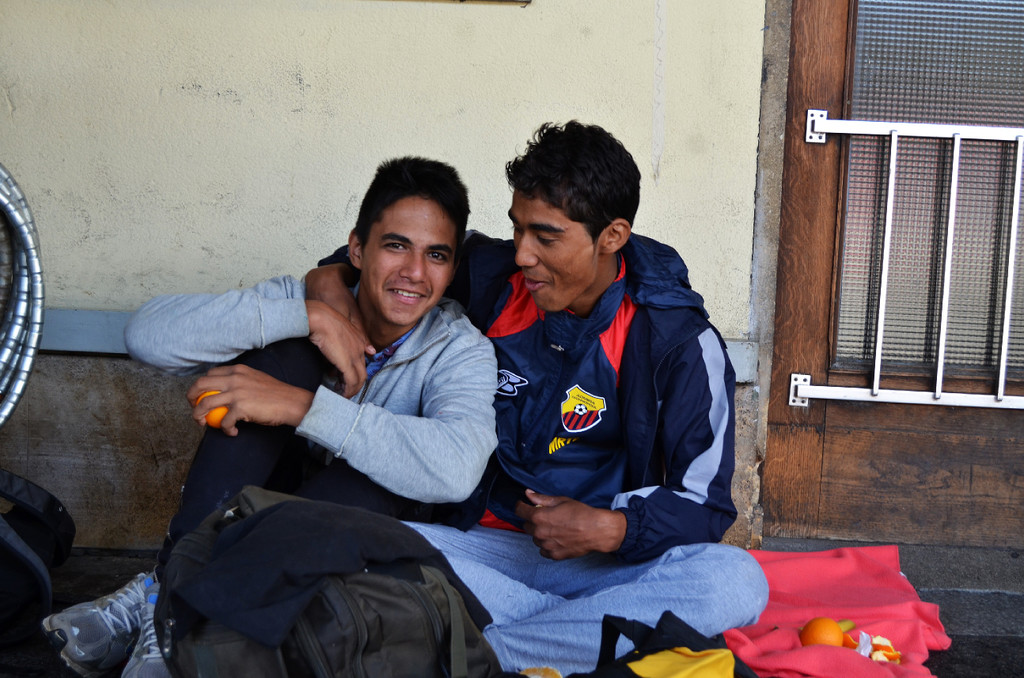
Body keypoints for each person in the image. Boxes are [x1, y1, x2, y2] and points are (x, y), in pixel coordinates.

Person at [308, 122, 769, 675]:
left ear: (612, 236)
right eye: (517, 228)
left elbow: (705, 506)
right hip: (474, 550)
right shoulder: (492, 279)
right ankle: (584, 636)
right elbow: (385, 258)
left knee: (736, 580)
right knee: (342, 541)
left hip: (599, 566)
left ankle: (492, 651)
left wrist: (611, 528)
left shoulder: (678, 342)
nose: (523, 253)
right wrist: (327, 284)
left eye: (546, 237)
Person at [41, 157, 498, 678]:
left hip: (348, 550)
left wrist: (300, 406)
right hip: (252, 502)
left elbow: (458, 468)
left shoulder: (459, 350)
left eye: (436, 255)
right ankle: (170, 597)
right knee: (282, 354)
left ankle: (170, 601)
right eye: (396, 245)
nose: (414, 272)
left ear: (452, 270)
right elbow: (145, 335)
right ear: (356, 249)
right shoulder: (304, 297)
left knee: (376, 478)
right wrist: (306, 315)